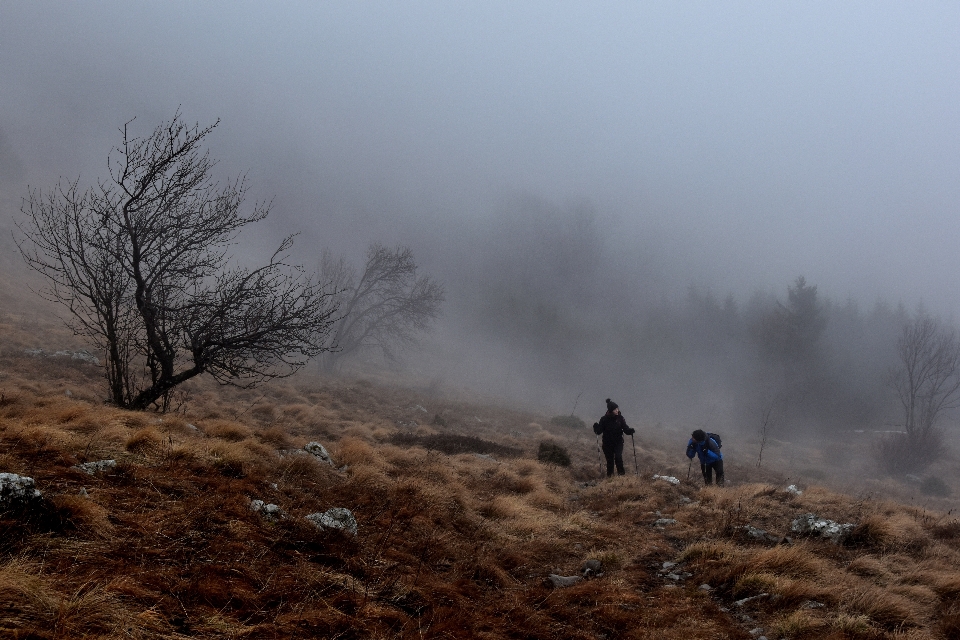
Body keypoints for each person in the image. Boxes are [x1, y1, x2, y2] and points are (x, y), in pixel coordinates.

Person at [593, 398, 635, 477]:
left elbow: (625, 428)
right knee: (610, 461)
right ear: (611, 410)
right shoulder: (604, 419)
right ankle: (610, 477)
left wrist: (630, 431)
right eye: (615, 409)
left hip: (618, 442)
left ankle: (621, 476)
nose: (617, 410)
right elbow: (599, 431)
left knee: (618, 457)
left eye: (617, 408)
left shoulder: (620, 418)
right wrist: (596, 427)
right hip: (607, 443)